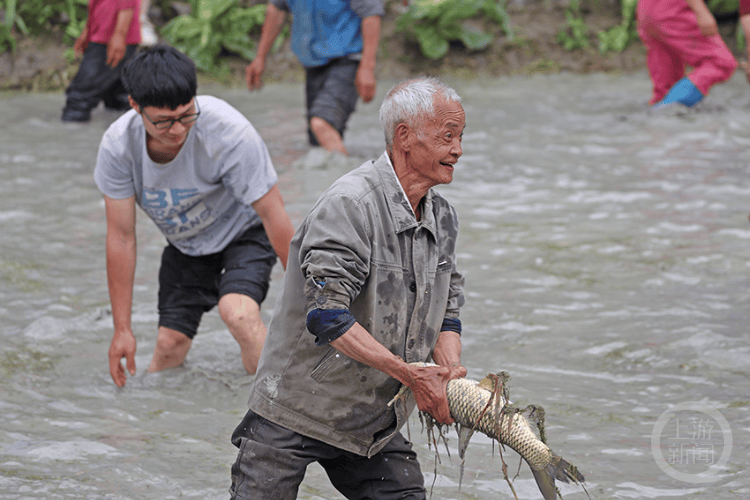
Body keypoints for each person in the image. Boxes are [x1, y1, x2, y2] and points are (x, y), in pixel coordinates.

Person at [229, 77, 468, 500]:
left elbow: (447, 310)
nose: (458, 150)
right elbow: (328, 316)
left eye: (461, 137)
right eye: (448, 136)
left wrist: (446, 372)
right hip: (296, 406)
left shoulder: (442, 218)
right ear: (404, 137)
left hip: (369, 416)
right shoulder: (351, 205)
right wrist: (411, 376)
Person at [94, 45, 295, 388]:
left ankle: (279, 413)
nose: (177, 130)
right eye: (163, 121)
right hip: (186, 245)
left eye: (186, 115)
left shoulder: (230, 132)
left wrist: (310, 300)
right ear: (135, 106)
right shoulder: (117, 147)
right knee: (168, 346)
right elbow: (122, 237)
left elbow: (273, 214)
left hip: (244, 233)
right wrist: (122, 329)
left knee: (240, 315)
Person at [245, 0, 384, 155]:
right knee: (318, 143)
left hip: (348, 59)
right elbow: (276, 10)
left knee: (321, 124)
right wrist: (260, 57)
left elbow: (371, 13)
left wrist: (367, 67)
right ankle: (341, 169)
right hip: (313, 61)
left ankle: (350, 175)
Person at [637, 0, 738, 108]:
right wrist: (702, 12)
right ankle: (664, 108)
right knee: (721, 63)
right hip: (672, 10)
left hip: (647, 9)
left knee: (667, 87)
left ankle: (658, 111)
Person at [62, 0, 142, 122]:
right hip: (104, 34)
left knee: (79, 98)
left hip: (111, 39)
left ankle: (67, 135)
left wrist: (120, 34)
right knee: (118, 98)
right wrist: (87, 32)